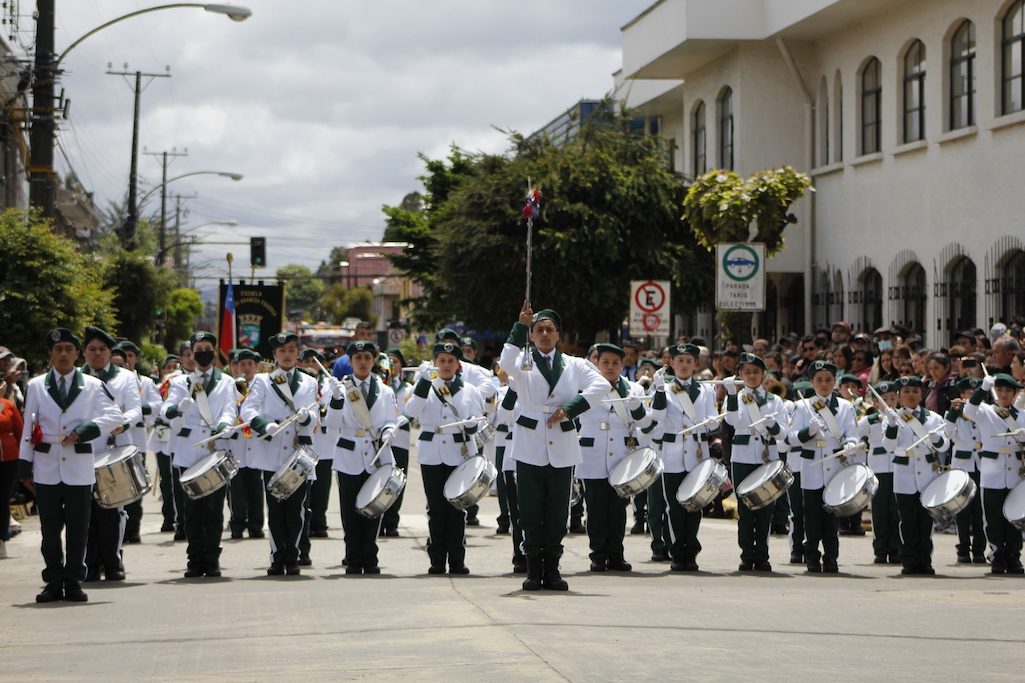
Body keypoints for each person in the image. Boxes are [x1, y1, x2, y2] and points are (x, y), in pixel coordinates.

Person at [499, 301, 607, 591]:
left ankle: (553, 568)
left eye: (550, 329)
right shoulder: (522, 361)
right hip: (530, 441)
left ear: (558, 335)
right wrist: (519, 326)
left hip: (561, 440)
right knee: (530, 509)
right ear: (532, 336)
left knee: (558, 510)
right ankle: (533, 568)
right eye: (539, 330)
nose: (545, 334)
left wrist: (571, 408)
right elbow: (505, 363)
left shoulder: (575, 364)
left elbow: (601, 386)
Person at [19, 328, 125, 602]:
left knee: (79, 527)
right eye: (58, 349)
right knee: (49, 529)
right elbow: (29, 428)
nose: (63, 354)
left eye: (69, 348)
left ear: (77, 354)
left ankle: (75, 580)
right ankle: (53, 580)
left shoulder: (91, 385)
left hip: (78, 462)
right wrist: (24, 464)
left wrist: (88, 429)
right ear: (51, 354)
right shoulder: (37, 385)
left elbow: (115, 416)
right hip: (46, 463)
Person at [161, 331, 239, 578]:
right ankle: (195, 559)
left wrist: (226, 425)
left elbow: (229, 409)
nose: (203, 352)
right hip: (189, 450)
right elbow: (165, 412)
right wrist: (178, 407)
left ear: (214, 351)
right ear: (191, 353)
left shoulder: (226, 381)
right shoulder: (179, 382)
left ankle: (212, 558)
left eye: (207, 347)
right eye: (198, 348)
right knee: (192, 509)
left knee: (214, 509)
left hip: (215, 448)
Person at [241, 332, 319, 576]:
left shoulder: (309, 382)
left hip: (298, 452)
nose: (287, 355)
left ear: (298, 354)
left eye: (292, 350)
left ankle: (293, 556)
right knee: (275, 510)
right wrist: (264, 425)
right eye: (283, 351)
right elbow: (248, 409)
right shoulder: (263, 381)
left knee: (296, 510)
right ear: (275, 354)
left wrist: (308, 417)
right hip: (272, 451)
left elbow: (315, 413)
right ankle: (277, 557)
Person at [405, 341, 485, 574]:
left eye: (451, 361)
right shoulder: (424, 387)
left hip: (459, 453)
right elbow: (411, 412)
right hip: (432, 453)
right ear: (434, 363)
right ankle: (437, 559)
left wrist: (471, 426)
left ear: (458, 364)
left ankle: (457, 560)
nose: (446, 365)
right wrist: (422, 383)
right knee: (436, 508)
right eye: (442, 361)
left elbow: (478, 422)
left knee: (457, 509)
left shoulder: (469, 390)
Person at [576, 343, 653, 573]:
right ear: (597, 364)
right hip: (593, 454)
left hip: (621, 454)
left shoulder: (633, 389)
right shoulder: (586, 388)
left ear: (622, 365)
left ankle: (616, 553)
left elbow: (646, 424)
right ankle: (598, 554)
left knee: (618, 508)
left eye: (615, 363)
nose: (610, 367)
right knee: (596, 508)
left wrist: (637, 407)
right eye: (605, 362)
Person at [326, 340, 398, 575]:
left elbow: (390, 418)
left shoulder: (385, 390)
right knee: (349, 511)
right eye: (358, 358)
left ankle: (371, 557)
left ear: (374, 360)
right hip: (348, 454)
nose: (363, 362)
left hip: (375, 454)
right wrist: (336, 401)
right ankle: (353, 558)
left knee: (373, 509)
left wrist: (389, 429)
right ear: (350, 362)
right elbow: (332, 426)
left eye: (368, 357)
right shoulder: (341, 389)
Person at [785, 360, 859, 573]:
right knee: (811, 517)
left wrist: (850, 444)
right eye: (819, 380)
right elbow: (790, 438)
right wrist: (807, 432)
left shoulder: (846, 406)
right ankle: (811, 558)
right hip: (811, 468)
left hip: (834, 466)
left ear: (834, 381)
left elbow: (851, 434)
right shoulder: (802, 406)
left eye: (828, 380)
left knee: (831, 517)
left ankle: (831, 558)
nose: (824, 384)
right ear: (812, 382)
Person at [80, 326, 141, 582]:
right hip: (82, 452)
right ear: (84, 352)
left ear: (110, 352)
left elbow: (136, 410)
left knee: (112, 511)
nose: (97, 354)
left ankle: (113, 561)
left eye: (102, 349)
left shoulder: (125, 378)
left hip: (113, 449)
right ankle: (89, 564)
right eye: (92, 349)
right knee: (85, 511)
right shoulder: (76, 377)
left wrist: (123, 423)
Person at [654, 343, 720, 572]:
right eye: (679, 361)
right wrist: (660, 392)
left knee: (695, 506)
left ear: (695, 364)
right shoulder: (665, 388)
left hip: (696, 452)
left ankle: (691, 551)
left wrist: (713, 424)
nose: (684, 365)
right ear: (671, 363)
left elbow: (714, 419)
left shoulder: (706, 390)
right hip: (672, 454)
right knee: (675, 506)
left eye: (689, 361)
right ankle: (677, 552)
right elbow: (657, 417)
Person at [880, 376, 949, 576]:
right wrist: (892, 426)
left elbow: (944, 445)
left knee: (926, 523)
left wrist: (937, 439)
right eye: (906, 392)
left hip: (927, 475)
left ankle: (925, 561)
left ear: (922, 394)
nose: (911, 395)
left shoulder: (933, 418)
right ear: (899, 396)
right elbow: (888, 446)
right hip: (904, 476)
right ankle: (909, 561)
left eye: (915, 391)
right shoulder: (892, 417)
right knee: (908, 522)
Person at [725, 353, 786, 572]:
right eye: (747, 372)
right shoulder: (737, 397)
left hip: (767, 457)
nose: (751, 376)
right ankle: (746, 555)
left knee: (765, 509)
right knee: (746, 509)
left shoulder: (775, 400)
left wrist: (773, 426)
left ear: (763, 374)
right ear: (740, 374)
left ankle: (762, 555)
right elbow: (732, 421)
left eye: (756, 372)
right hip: (742, 458)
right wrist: (731, 395)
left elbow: (783, 434)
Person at [963, 373, 1025, 574]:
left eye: (1008, 391)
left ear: (1015, 393)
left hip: (1015, 473)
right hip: (992, 473)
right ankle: (997, 555)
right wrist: (981, 389)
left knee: (1014, 518)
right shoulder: (986, 412)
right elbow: (969, 410)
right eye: (999, 390)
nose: (1004, 394)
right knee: (993, 518)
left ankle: (1014, 557)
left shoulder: (1022, 416)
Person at [115, 340, 162, 545]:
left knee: (136, 485)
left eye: (130, 356)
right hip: (113, 441)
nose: (127, 360)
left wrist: (136, 409)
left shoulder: (144, 382)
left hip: (136, 440)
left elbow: (157, 405)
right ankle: (116, 529)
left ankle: (133, 530)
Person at [944, 377, 987, 565]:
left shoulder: (985, 414)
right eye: (968, 393)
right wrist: (953, 414)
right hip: (962, 466)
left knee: (979, 510)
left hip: (981, 464)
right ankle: (962, 548)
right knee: (962, 510)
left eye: (974, 393)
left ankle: (979, 549)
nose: (971, 397)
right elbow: (948, 433)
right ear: (962, 396)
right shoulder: (954, 414)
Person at [858, 382, 900, 565]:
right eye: (884, 399)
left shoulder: (902, 418)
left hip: (899, 468)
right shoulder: (869, 421)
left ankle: (897, 549)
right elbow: (856, 435)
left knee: (896, 511)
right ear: (875, 401)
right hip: (878, 468)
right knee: (880, 511)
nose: (889, 403)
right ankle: (881, 549)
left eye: (893, 398)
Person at [228, 349, 265, 540]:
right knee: (236, 487)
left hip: (256, 441)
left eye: (250, 364)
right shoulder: (232, 386)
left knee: (256, 487)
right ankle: (237, 524)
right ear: (236, 366)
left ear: (256, 366)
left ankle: (256, 525)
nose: (247, 368)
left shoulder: (262, 385)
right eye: (243, 364)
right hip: (237, 442)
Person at [302, 348, 335, 539]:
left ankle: (319, 522)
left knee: (322, 486)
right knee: (306, 486)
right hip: (306, 441)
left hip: (323, 443)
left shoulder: (329, 386)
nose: (311, 366)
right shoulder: (301, 384)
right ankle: (306, 521)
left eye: (315, 362)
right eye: (307, 362)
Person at [381, 347, 413, 537]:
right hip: (381, 440)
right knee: (380, 480)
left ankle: (392, 521)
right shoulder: (379, 386)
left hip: (400, 439)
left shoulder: (408, 388)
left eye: (395, 361)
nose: (392, 364)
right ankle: (380, 517)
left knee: (398, 480)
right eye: (388, 361)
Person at [154, 354, 186, 538]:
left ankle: (180, 519)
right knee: (166, 478)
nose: (172, 370)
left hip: (176, 433)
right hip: (162, 431)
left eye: (176, 366)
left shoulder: (180, 382)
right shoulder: (161, 386)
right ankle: (169, 517)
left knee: (177, 477)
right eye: (169, 367)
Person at [0, 373, 24, 559]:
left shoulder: (8, 406)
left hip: (8, 460)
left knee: (2, 500)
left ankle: (1, 540)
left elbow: (20, 432)